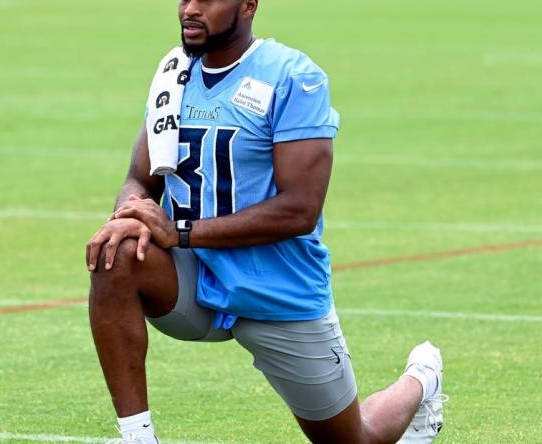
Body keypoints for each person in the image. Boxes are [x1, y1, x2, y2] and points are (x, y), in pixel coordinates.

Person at [85, 1, 445, 443]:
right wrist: (128, 215)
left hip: (276, 286)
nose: (190, 9)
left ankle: (421, 380)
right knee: (115, 253)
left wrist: (179, 232)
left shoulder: (294, 77)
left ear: (249, 5)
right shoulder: (174, 73)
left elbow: (300, 209)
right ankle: (137, 438)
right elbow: (139, 178)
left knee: (356, 439)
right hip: (193, 279)